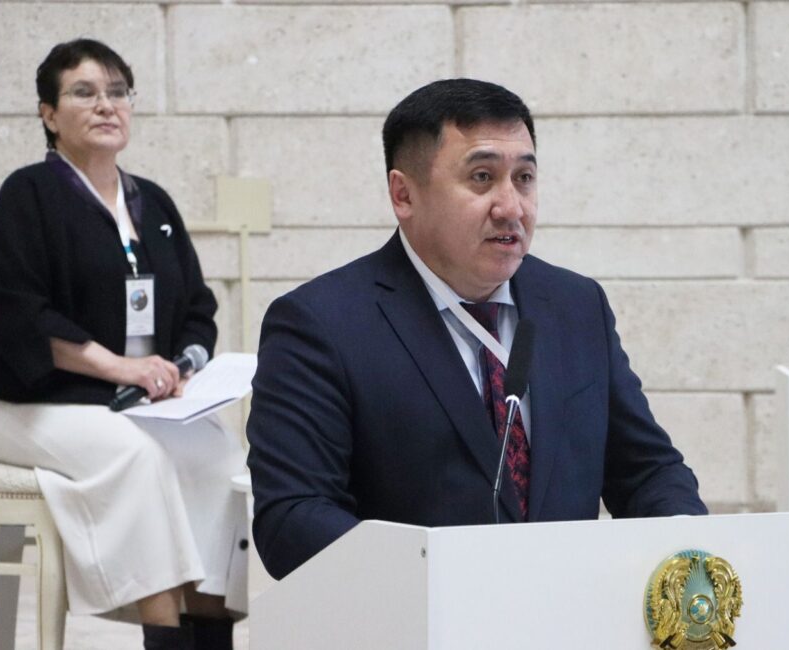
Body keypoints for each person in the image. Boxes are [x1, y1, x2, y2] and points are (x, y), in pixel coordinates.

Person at [246, 78, 708, 581]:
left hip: (570, 608)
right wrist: (446, 580)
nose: (512, 207)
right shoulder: (322, 325)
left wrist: (689, 546)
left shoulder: (575, 306)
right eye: (482, 178)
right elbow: (293, 518)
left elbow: (646, 472)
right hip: (416, 614)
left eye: (524, 178)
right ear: (404, 194)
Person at [0, 39, 244, 650]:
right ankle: (164, 636)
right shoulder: (28, 195)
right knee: (138, 458)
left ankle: (212, 638)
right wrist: (123, 368)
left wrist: (181, 366)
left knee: (216, 454)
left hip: (133, 398)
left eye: (117, 92)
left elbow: (197, 307)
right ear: (48, 114)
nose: (106, 105)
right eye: (84, 92)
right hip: (28, 404)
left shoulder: (154, 202)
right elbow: (19, 316)